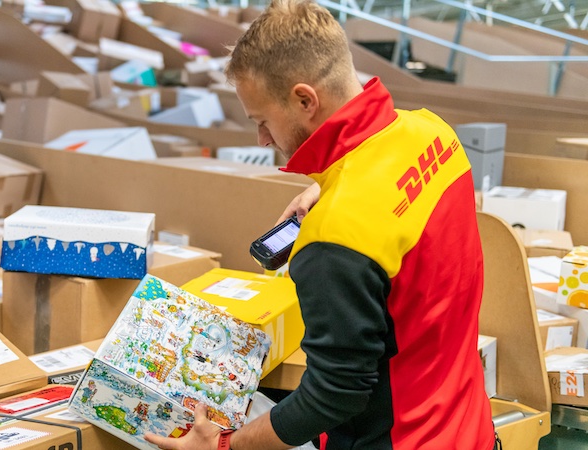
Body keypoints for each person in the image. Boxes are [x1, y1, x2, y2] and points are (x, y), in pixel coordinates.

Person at [145, 0, 495, 449]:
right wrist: (328, 185)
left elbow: (333, 396)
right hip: (470, 430)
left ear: (305, 100)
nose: (262, 139)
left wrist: (221, 446)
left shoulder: (332, 242)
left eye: (263, 120)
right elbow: (386, 180)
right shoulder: (434, 134)